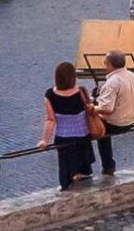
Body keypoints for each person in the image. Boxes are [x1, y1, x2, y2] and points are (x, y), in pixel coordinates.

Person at [42, 62, 99, 190]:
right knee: (84, 169)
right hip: (83, 137)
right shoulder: (81, 92)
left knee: (66, 167)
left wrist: (44, 141)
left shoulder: (50, 95)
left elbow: (50, 120)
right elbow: (90, 109)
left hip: (63, 138)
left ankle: (65, 186)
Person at [92, 50, 134, 177]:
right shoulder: (133, 76)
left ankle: (106, 165)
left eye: (105, 64)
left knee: (95, 127)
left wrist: (91, 108)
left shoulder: (113, 82)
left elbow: (106, 109)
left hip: (117, 123)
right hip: (132, 119)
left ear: (110, 65)